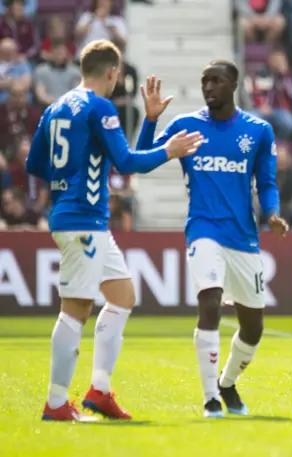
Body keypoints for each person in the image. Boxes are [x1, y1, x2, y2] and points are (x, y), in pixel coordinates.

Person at [25, 40, 203, 422]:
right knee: (75, 310)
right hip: (83, 220)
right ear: (113, 73)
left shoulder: (55, 107)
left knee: (122, 296)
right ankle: (56, 403)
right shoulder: (100, 105)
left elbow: (35, 163)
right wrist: (169, 151)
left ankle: (99, 392)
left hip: (79, 217)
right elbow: (127, 164)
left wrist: (151, 121)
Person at [135, 64, 289, 418]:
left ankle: (227, 382)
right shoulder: (185, 126)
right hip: (203, 228)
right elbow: (139, 164)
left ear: (234, 85)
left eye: (216, 80)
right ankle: (209, 399)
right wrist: (150, 121)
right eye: (204, 80)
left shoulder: (258, 131)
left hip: (243, 236)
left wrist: (272, 214)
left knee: (253, 327)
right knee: (210, 303)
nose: (208, 86)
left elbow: (265, 182)